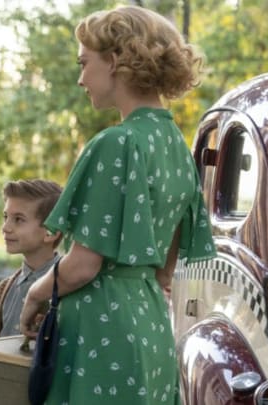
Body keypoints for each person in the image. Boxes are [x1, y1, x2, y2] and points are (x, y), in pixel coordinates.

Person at [19, 6, 215, 404]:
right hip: (152, 333)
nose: (80, 78)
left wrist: (35, 294)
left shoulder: (116, 144)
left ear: (115, 61)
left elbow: (81, 267)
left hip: (102, 341)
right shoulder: (177, 145)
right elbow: (165, 268)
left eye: (83, 63)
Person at [0, 179, 63, 339]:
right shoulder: (1, 292)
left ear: (50, 233)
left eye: (18, 219)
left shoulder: (70, 289)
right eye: (6, 217)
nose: (5, 227)